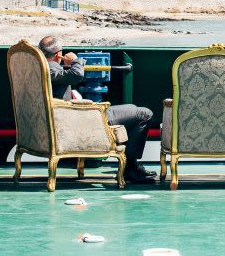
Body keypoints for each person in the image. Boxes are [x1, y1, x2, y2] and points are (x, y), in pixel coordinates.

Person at [38, 36, 155, 184]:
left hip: (66, 117)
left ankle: (131, 164)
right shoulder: (51, 68)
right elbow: (77, 75)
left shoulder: (38, 68)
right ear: (58, 55)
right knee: (144, 114)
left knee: (132, 109)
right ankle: (130, 168)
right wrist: (76, 61)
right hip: (83, 120)